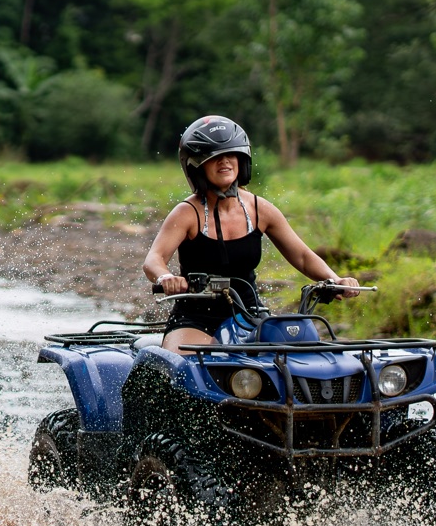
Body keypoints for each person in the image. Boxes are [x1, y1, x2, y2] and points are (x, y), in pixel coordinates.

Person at [143, 116, 360, 352]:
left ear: (242, 160)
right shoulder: (187, 213)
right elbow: (154, 260)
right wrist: (166, 278)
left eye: (230, 154)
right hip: (196, 320)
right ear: (197, 166)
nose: (224, 161)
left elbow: (303, 256)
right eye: (214, 157)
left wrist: (334, 280)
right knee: (187, 367)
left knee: (296, 357)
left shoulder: (260, 209)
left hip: (249, 315)